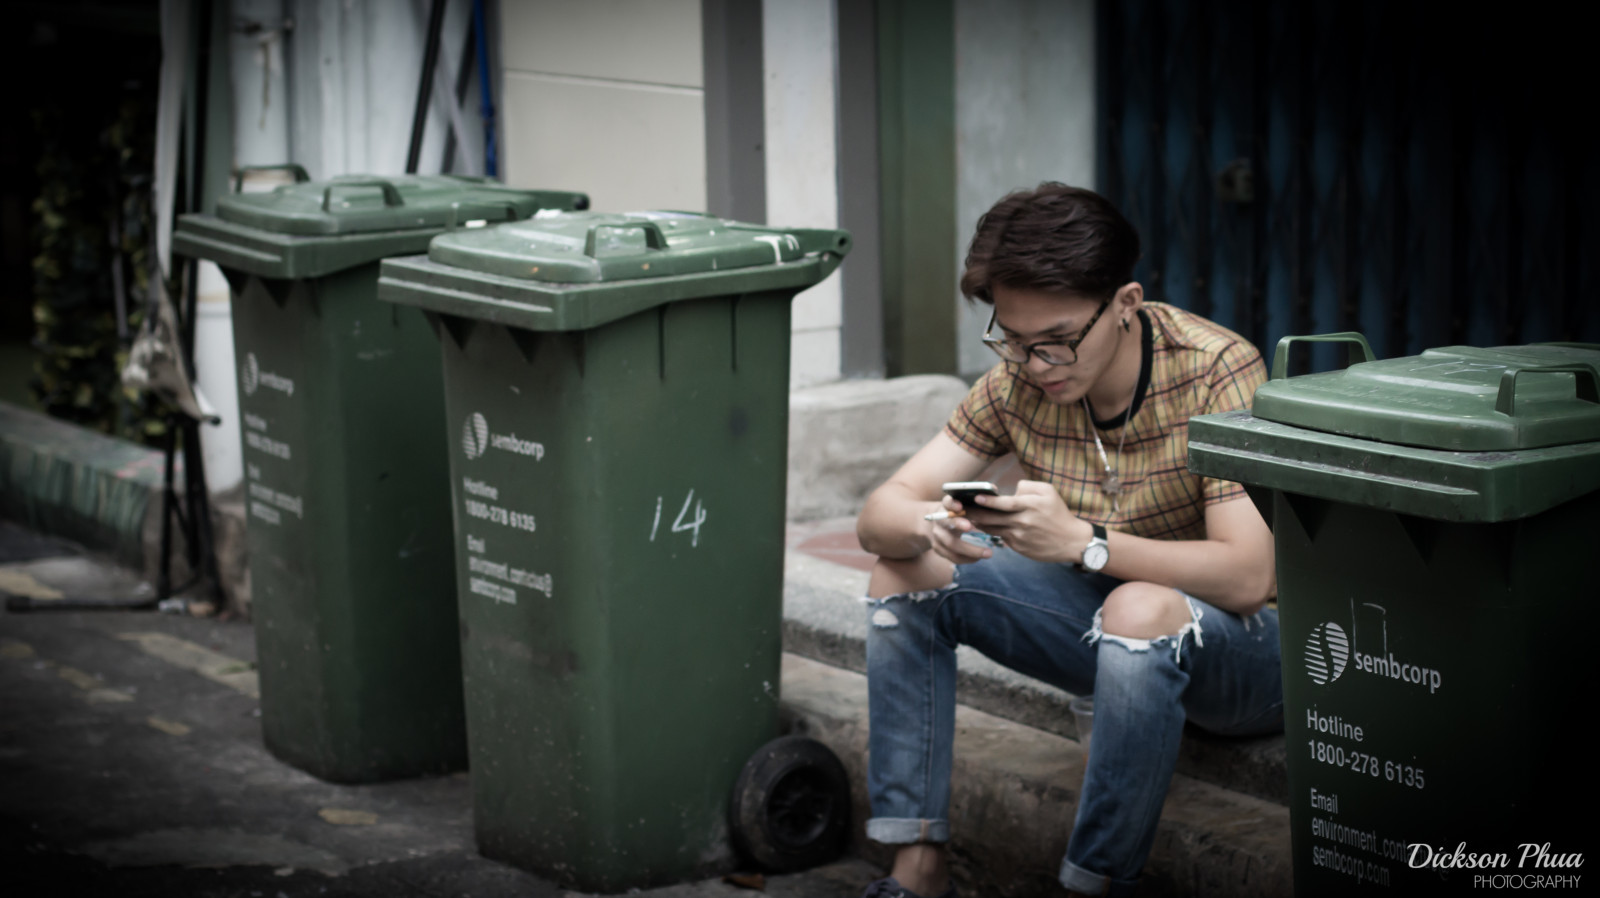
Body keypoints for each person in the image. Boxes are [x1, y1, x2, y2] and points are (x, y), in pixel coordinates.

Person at [855, 184, 1282, 898]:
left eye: (1055, 341)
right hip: (1103, 629)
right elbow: (880, 512)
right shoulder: (1016, 381)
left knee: (1140, 608)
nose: (1037, 364)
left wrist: (1086, 543)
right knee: (905, 574)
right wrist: (937, 524)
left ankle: (1097, 884)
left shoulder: (1214, 368)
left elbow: (1247, 576)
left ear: (1125, 303)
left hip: (1243, 654)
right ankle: (917, 866)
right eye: (1013, 340)